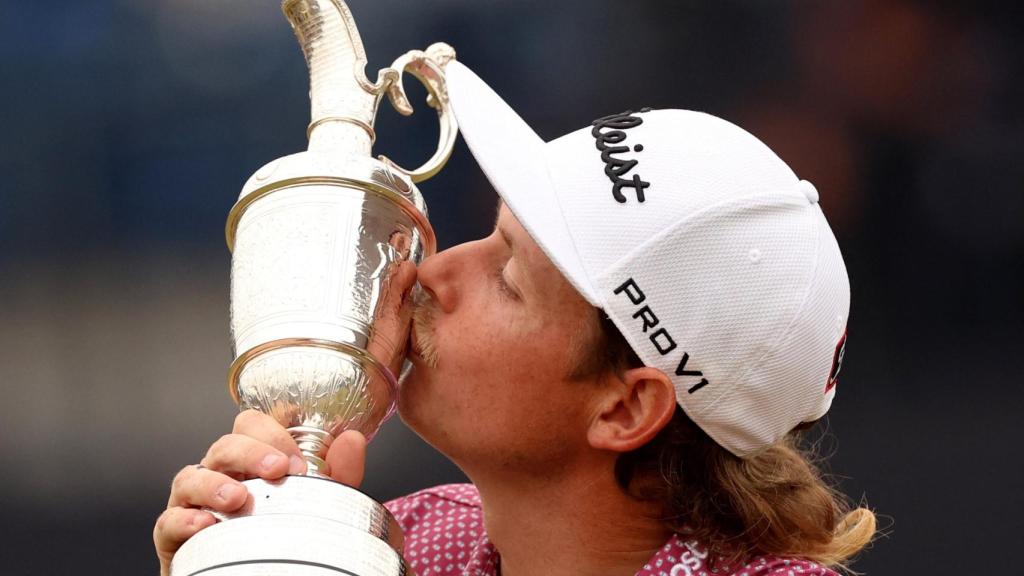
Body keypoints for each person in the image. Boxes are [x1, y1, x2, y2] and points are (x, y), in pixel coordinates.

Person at [154, 62, 876, 576]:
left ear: (626, 406)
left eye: (505, 277)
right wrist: (262, 555)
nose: (433, 274)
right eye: (491, 233)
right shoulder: (423, 540)